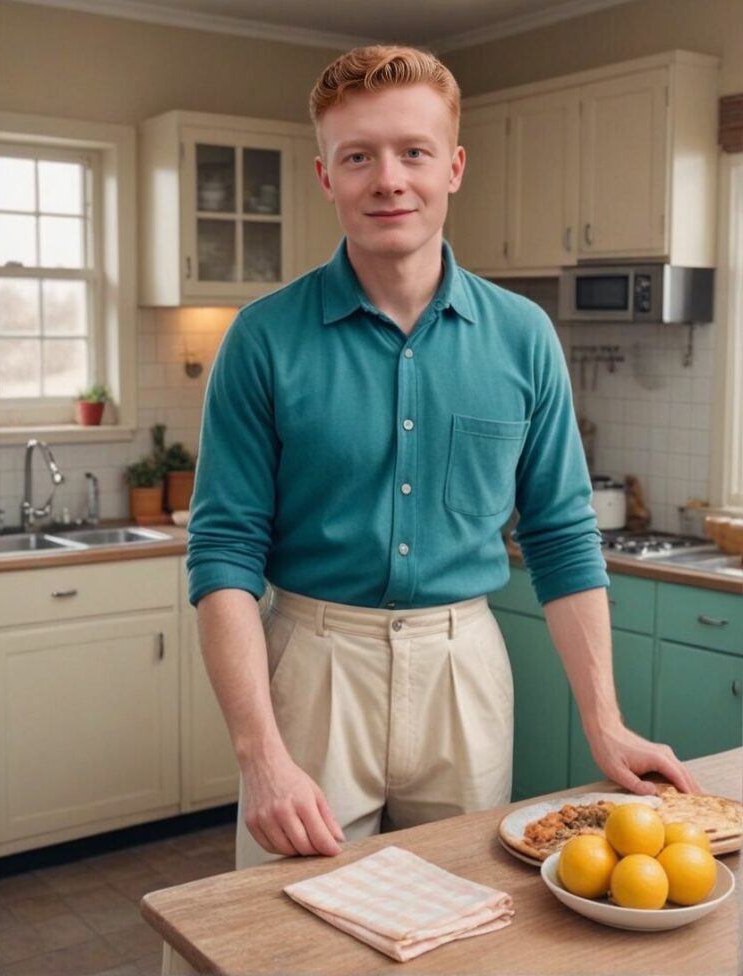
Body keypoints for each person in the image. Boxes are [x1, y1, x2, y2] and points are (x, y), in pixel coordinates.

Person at [186, 45, 702, 871]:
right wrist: (261, 756)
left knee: (466, 914)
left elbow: (564, 539)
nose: (388, 179)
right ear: (327, 176)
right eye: (358, 156)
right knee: (296, 930)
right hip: (315, 669)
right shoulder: (260, 341)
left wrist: (604, 723)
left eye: (413, 152)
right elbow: (223, 556)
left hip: (466, 667)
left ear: (453, 167)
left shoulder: (524, 336)